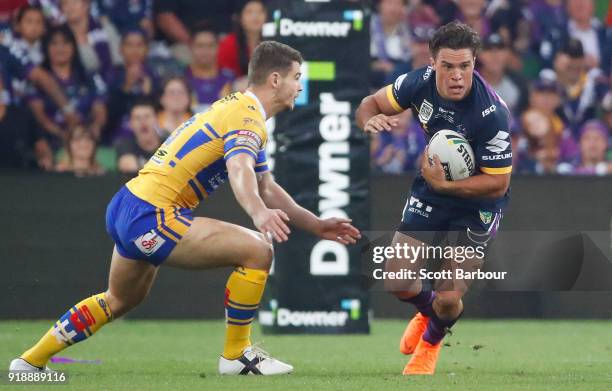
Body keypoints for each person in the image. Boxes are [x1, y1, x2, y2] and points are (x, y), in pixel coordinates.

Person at [10, 40, 360, 376]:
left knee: (118, 299)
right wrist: (257, 213)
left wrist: (315, 225)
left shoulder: (240, 110)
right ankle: (237, 355)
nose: (300, 86)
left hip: (128, 203)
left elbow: (266, 185)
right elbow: (239, 169)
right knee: (258, 249)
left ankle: (28, 362)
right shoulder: (247, 116)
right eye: (297, 77)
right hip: (153, 213)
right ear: (274, 79)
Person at [356, 21, 512, 375]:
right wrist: (368, 121)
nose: (457, 75)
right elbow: (370, 103)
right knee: (396, 280)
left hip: (479, 203)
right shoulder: (417, 83)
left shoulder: (492, 113)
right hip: (433, 187)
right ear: (432, 64)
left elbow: (498, 184)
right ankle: (426, 311)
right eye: (448, 66)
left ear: (475, 64)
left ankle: (431, 342)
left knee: (448, 298)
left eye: (465, 66)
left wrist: (445, 186)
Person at [28, 25, 107, 150]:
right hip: (53, 143)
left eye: (66, 42)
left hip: (88, 141)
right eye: (54, 43)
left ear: (73, 46)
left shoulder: (88, 77)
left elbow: (99, 111)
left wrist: (93, 129)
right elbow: (40, 117)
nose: (60, 48)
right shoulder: (38, 81)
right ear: (45, 48)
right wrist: (63, 135)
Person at [186, 26, 234, 113]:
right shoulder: (183, 79)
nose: (205, 51)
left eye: (210, 46)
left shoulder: (230, 79)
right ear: (191, 47)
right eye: (200, 46)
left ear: (218, 47)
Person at [218, 0, 266, 87]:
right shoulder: (228, 44)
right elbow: (223, 78)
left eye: (260, 11)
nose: (255, 16)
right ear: (239, 17)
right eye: (249, 12)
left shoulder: (273, 43)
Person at [115, 99, 162, 174]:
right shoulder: (125, 145)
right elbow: (129, 166)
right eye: (137, 118)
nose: (143, 122)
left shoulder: (168, 143)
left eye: (147, 116)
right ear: (130, 124)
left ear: (157, 119)